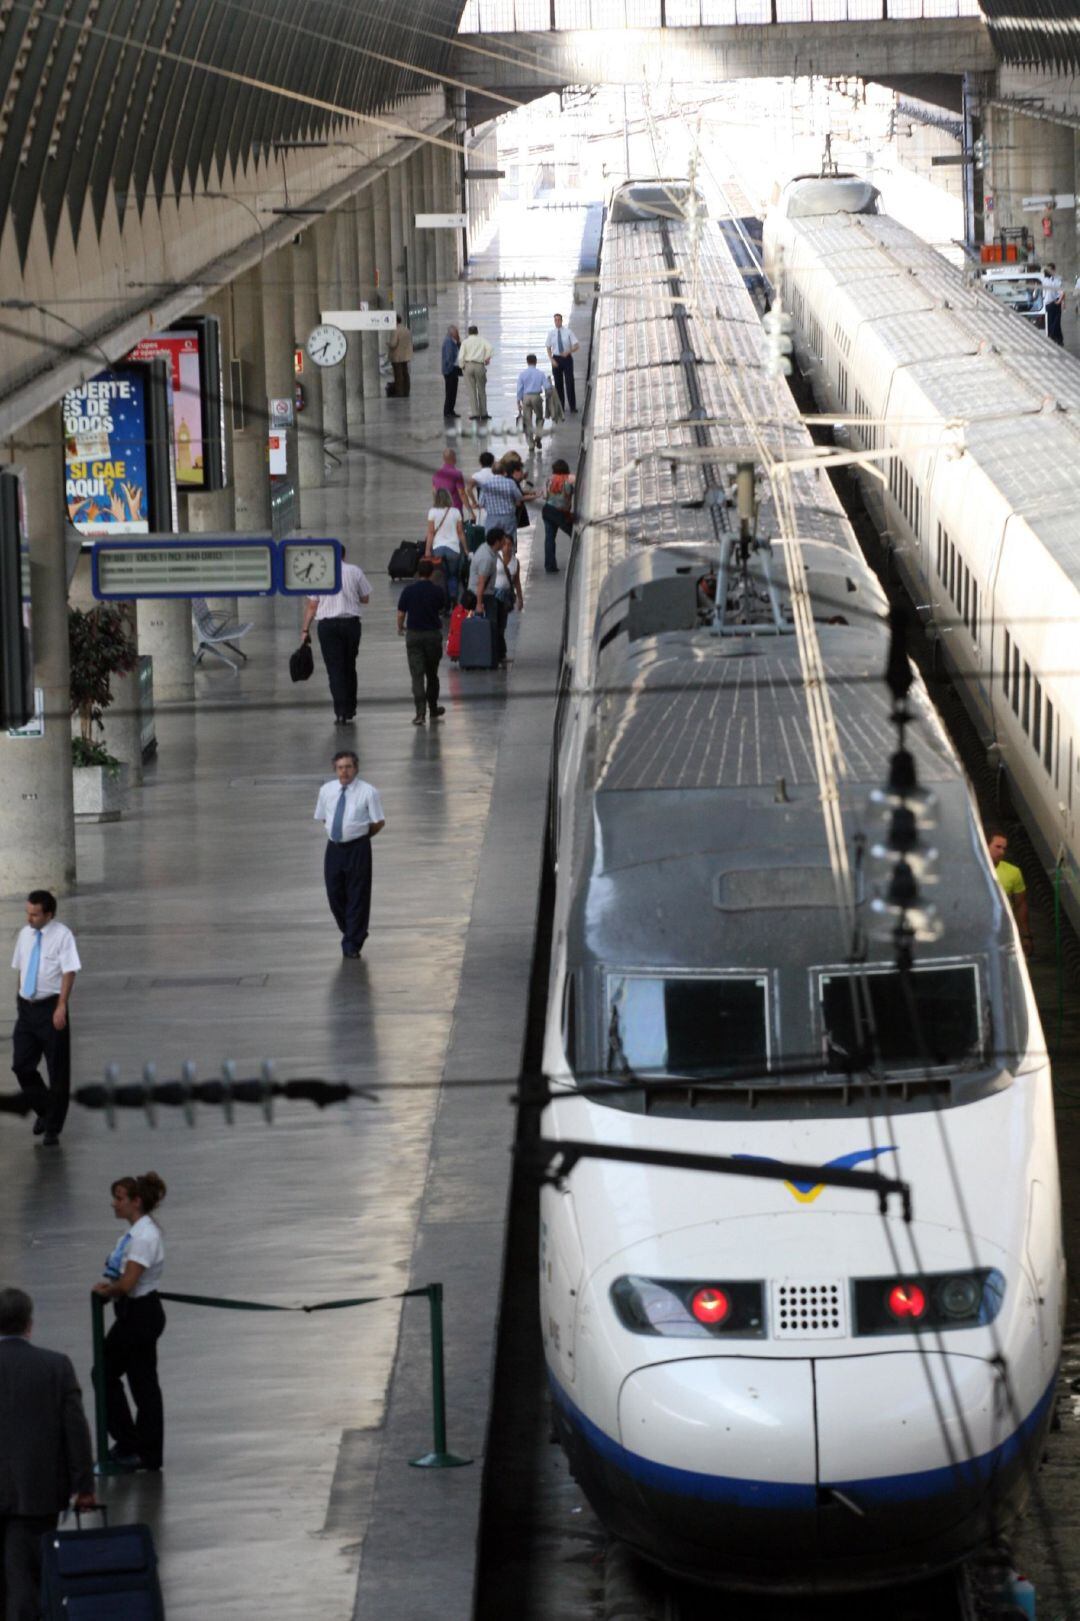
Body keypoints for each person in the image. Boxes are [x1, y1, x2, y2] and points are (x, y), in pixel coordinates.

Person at [0, 1286, 96, 1620]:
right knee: (29, 1578)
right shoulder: (56, 1366)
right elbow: (75, 1430)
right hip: (38, 1493)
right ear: (29, 1324)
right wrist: (83, 1485)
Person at [91, 1173, 168, 1473]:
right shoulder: (138, 1232)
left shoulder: (143, 1237)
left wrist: (106, 1291)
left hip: (139, 1314)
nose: (114, 1204)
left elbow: (127, 1283)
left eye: (120, 1198)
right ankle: (140, 1448)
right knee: (140, 1383)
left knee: (112, 1375)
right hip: (136, 1313)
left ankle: (134, 1445)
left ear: (136, 1201)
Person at [11, 890, 80, 1147]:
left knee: (57, 1070)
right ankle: (43, 1108)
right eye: (27, 913)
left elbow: (69, 971)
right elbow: (21, 967)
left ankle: (53, 1127)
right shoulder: (24, 934)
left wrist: (61, 1005)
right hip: (27, 1007)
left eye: (35, 914)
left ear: (48, 914)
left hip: (51, 1007)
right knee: (21, 1065)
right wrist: (20, 999)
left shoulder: (62, 936)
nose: (29, 918)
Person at [314, 751, 386, 958]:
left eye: (348, 767)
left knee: (358, 895)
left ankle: (352, 943)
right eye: (340, 767)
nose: (344, 771)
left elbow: (379, 821)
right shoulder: (327, 790)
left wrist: (359, 837)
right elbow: (323, 817)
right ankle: (353, 930)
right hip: (334, 848)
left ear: (355, 768)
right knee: (334, 893)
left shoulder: (368, 792)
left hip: (358, 849)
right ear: (335, 769)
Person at [300, 545, 373, 725]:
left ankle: (340, 712)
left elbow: (312, 606)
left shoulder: (319, 573)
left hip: (328, 626)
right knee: (349, 665)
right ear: (344, 555)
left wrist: (305, 630)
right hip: (351, 624)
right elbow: (366, 598)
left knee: (335, 669)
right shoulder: (354, 571)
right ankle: (350, 708)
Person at [397, 560, 448, 725]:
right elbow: (441, 608)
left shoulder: (408, 591)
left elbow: (400, 614)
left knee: (417, 676)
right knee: (432, 674)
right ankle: (433, 708)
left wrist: (400, 628)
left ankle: (420, 713)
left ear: (417, 573)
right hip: (432, 636)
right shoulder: (437, 591)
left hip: (414, 636)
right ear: (432, 573)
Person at [987, 829, 1032, 955]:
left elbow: (1021, 904)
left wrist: (1025, 936)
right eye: (998, 847)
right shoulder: (969, 869)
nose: (1002, 852)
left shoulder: (1013, 872)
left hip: (1003, 930)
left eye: (1004, 848)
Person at [471, 526, 512, 666]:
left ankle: (499, 654)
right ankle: (493, 656)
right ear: (497, 541)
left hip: (488, 593)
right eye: (503, 541)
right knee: (492, 625)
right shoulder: (487, 558)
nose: (504, 543)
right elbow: (481, 583)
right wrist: (479, 604)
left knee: (497, 624)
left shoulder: (489, 550)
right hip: (483, 595)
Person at [424, 489, 467, 605]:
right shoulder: (455, 512)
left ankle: (444, 603)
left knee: (441, 577)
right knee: (453, 576)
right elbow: (460, 532)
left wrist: (427, 550)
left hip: (438, 549)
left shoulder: (432, 512)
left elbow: (431, 532)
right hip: (453, 549)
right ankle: (453, 599)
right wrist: (466, 550)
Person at [481, 456, 536, 539]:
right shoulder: (510, 483)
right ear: (504, 471)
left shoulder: (485, 484)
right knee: (509, 541)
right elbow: (519, 497)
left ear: (493, 471)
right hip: (508, 517)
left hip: (492, 518)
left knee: (492, 542)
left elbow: (481, 503)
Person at [541, 458, 575, 573]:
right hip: (561, 513)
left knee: (549, 538)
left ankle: (550, 566)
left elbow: (544, 496)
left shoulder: (548, 480)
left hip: (547, 510)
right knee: (574, 533)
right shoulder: (569, 480)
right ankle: (577, 558)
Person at [458, 325, 494, 420]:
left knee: (471, 391)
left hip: (468, 365)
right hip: (479, 365)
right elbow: (490, 348)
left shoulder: (465, 342)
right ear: (477, 332)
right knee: (481, 389)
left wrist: (462, 366)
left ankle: (475, 414)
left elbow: (461, 357)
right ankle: (484, 413)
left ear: (468, 332)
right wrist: (486, 358)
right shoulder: (482, 340)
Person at [546, 312, 580, 412]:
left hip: (566, 358)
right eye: (555, 320)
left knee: (570, 382)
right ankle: (561, 406)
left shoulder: (568, 332)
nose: (557, 322)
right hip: (556, 358)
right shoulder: (551, 333)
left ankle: (572, 407)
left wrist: (568, 351)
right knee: (558, 383)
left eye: (558, 320)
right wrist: (551, 359)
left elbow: (576, 345)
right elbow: (548, 347)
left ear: (561, 321)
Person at [516, 352, 549, 451]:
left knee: (527, 421)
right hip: (536, 397)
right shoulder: (540, 373)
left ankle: (530, 444)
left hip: (525, 398)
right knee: (539, 418)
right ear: (536, 362)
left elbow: (519, 389)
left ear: (527, 362)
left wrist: (518, 402)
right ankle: (538, 437)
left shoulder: (522, 374)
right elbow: (547, 387)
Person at [431, 447, 473, 517]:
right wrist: (471, 512)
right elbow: (462, 494)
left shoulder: (436, 474)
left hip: (440, 512)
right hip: (455, 512)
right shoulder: (457, 474)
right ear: (454, 458)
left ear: (443, 459)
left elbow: (434, 492)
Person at [387, 315, 414, 395]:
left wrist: (388, 344)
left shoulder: (395, 330)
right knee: (405, 373)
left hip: (397, 356)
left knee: (398, 375)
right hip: (406, 355)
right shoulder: (406, 329)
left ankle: (399, 392)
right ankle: (406, 390)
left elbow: (393, 344)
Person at [441, 324, 461, 418]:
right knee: (450, 392)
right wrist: (451, 366)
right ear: (452, 333)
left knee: (453, 392)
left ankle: (451, 410)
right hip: (450, 370)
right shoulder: (448, 341)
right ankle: (447, 411)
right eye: (456, 332)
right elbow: (449, 356)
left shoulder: (452, 341)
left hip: (453, 370)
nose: (458, 334)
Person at [1041, 263, 1065, 345]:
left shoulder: (1056, 280)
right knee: (1051, 323)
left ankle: (1053, 338)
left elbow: (1062, 292)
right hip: (1047, 304)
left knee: (1055, 323)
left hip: (1054, 304)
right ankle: (1059, 339)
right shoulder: (1043, 280)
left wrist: (1060, 302)